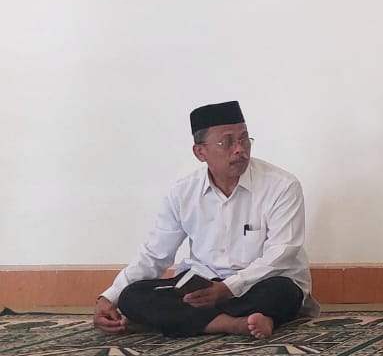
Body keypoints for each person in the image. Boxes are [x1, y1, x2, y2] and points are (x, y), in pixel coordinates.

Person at [93, 101, 318, 341]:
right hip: (202, 287)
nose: (239, 149)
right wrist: (109, 297)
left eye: (244, 139)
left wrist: (228, 288)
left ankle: (182, 321)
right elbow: (155, 254)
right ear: (200, 152)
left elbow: (282, 253)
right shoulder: (183, 192)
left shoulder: (282, 186)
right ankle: (236, 323)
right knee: (132, 296)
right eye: (227, 142)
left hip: (258, 283)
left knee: (284, 292)